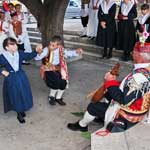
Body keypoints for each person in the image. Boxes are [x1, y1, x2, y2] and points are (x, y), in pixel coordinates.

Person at [67, 39, 150, 132]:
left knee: (93, 106)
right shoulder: (146, 70)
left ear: (139, 55)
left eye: (134, 52)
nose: (132, 54)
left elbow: (123, 100)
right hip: (137, 105)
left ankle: (82, 125)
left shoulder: (140, 77)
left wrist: (110, 81)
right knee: (107, 93)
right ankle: (101, 116)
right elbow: (134, 89)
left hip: (127, 114)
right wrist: (115, 83)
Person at [0, 37, 42, 124]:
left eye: (15, 44)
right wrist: (2, 71)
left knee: (23, 92)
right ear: (6, 47)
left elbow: (29, 56)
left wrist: (36, 51)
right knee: (15, 95)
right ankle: (19, 112)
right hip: (11, 78)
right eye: (12, 45)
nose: (15, 46)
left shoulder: (19, 53)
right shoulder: (2, 57)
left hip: (21, 76)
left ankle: (22, 108)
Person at [35, 35, 83, 106]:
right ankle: (51, 97)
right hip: (48, 69)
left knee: (64, 82)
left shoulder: (61, 49)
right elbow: (37, 58)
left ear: (58, 45)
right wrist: (39, 52)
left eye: (53, 45)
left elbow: (68, 53)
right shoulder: (46, 49)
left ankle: (58, 98)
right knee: (56, 82)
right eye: (50, 44)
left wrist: (76, 52)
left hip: (58, 68)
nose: (51, 46)